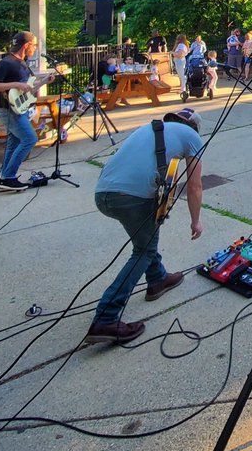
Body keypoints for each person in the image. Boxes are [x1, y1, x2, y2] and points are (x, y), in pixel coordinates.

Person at [84, 107, 204, 344]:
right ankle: (106, 318)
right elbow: (194, 186)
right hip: (130, 197)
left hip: (103, 194)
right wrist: (195, 221)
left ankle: (157, 279)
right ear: (194, 127)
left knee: (145, 241)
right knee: (144, 250)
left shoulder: (149, 129)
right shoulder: (192, 137)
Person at [0, 31, 59, 191]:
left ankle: (5, 178)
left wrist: (45, 81)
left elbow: (27, 91)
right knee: (30, 139)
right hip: (8, 109)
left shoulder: (22, 64)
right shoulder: (7, 63)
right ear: (27, 45)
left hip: (18, 108)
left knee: (14, 142)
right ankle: (9, 176)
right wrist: (16, 84)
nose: (36, 48)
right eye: (35, 45)